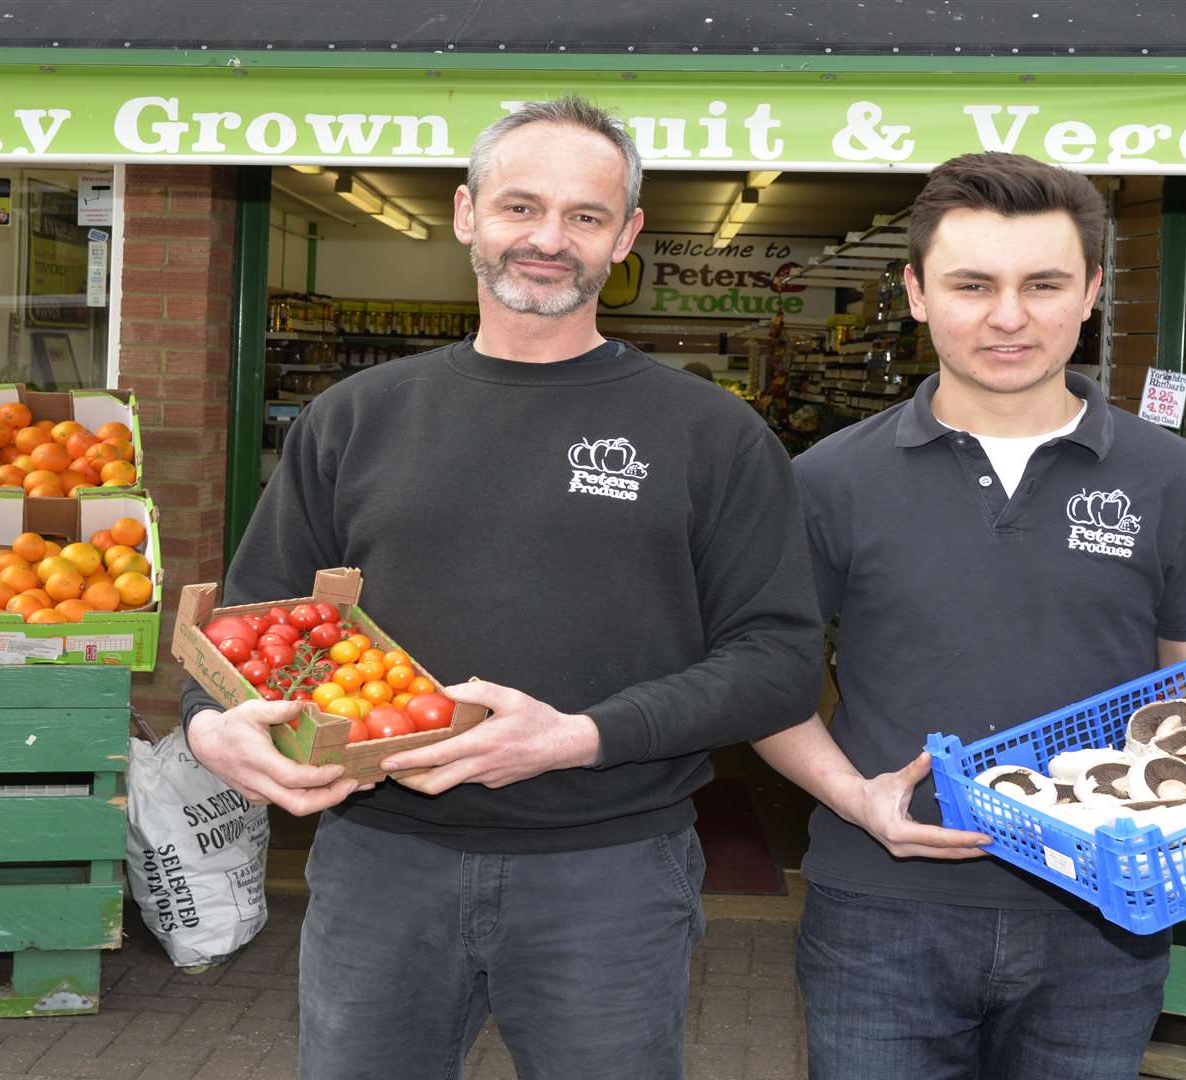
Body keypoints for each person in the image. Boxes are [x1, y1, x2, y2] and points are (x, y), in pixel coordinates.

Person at [179, 96, 823, 1080]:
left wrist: (577, 737)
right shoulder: (356, 418)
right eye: (522, 208)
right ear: (468, 213)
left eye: (585, 216)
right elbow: (249, 621)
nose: (549, 241)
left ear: (627, 237)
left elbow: (777, 664)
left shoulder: (711, 432)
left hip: (609, 874)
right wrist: (206, 724)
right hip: (378, 868)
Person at [755, 151, 1186, 1079]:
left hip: (1106, 911)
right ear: (918, 293)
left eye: (1043, 283)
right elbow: (763, 679)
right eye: (973, 285)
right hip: (884, 906)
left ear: (1090, 293)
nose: (1009, 316)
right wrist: (856, 799)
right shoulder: (829, 480)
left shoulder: (1177, 484)